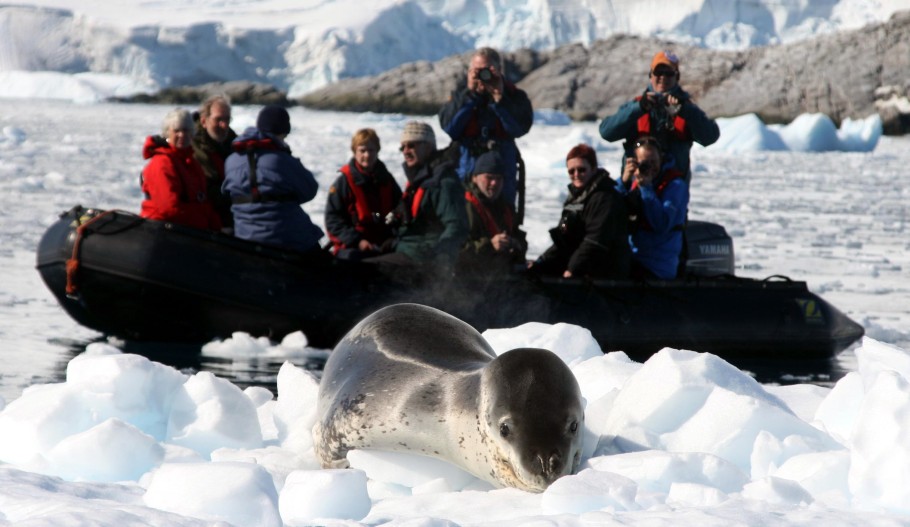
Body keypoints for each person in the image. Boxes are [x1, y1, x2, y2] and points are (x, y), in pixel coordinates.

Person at [599, 50, 720, 183]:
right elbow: (606, 132)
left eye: (669, 73)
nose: (663, 77)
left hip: (672, 191)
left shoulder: (687, 109)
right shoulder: (637, 106)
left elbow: (710, 137)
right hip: (636, 188)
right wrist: (639, 108)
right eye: (658, 72)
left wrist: (685, 111)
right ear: (651, 75)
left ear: (677, 77)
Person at [222, 105, 323, 254]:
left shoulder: (231, 160)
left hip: (244, 235)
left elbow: (226, 192)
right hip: (285, 238)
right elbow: (310, 190)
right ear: (283, 132)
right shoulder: (281, 159)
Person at [438, 47, 533, 206]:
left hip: (501, 179)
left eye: (487, 70)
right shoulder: (460, 97)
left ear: (499, 71)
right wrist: (470, 94)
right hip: (466, 174)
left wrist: (499, 99)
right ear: (469, 72)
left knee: (502, 225)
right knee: (466, 221)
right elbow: (450, 128)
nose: (483, 76)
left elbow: (519, 129)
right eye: (477, 71)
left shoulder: (515, 96)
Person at [370, 121, 467, 272]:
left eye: (412, 145)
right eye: (403, 147)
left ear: (428, 147)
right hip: (407, 249)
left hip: (421, 258)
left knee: (362, 270)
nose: (406, 151)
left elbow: (457, 226)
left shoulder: (443, 183)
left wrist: (437, 258)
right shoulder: (418, 181)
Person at [530, 144, 629, 279]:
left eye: (582, 170)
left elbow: (595, 241)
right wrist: (541, 262)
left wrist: (572, 269)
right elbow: (563, 240)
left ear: (593, 169)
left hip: (603, 271)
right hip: (581, 264)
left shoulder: (605, 198)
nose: (576, 175)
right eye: (571, 171)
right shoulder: (576, 198)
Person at [615, 136, 689, 280]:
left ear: (662, 158)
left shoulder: (676, 186)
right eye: (644, 163)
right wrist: (623, 182)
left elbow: (661, 223)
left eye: (653, 162)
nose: (649, 167)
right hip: (632, 257)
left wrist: (646, 188)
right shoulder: (634, 182)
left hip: (657, 266)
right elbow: (608, 211)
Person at [324, 128, 402, 260]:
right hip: (353, 247)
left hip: (384, 244)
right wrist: (358, 242)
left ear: (377, 151)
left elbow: (400, 211)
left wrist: (393, 239)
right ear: (355, 151)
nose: (367, 155)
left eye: (371, 150)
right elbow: (333, 220)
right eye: (362, 150)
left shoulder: (387, 180)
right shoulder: (343, 182)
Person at [140, 108, 222, 231]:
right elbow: (169, 209)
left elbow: (203, 202)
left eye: (186, 130)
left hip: (186, 230)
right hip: (163, 232)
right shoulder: (162, 163)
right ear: (167, 133)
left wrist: (217, 228)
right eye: (176, 131)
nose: (182, 135)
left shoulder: (191, 163)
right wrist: (203, 221)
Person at [457, 150, 527, 275]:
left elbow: (519, 238)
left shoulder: (506, 208)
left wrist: (516, 245)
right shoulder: (462, 207)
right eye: (489, 177)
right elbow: (455, 250)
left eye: (498, 178)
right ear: (474, 178)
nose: (494, 183)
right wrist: (489, 246)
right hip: (469, 280)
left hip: (499, 277)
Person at [192, 94, 237, 230]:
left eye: (227, 119)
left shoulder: (236, 145)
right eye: (218, 119)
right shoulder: (190, 146)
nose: (223, 125)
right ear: (204, 121)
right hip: (204, 220)